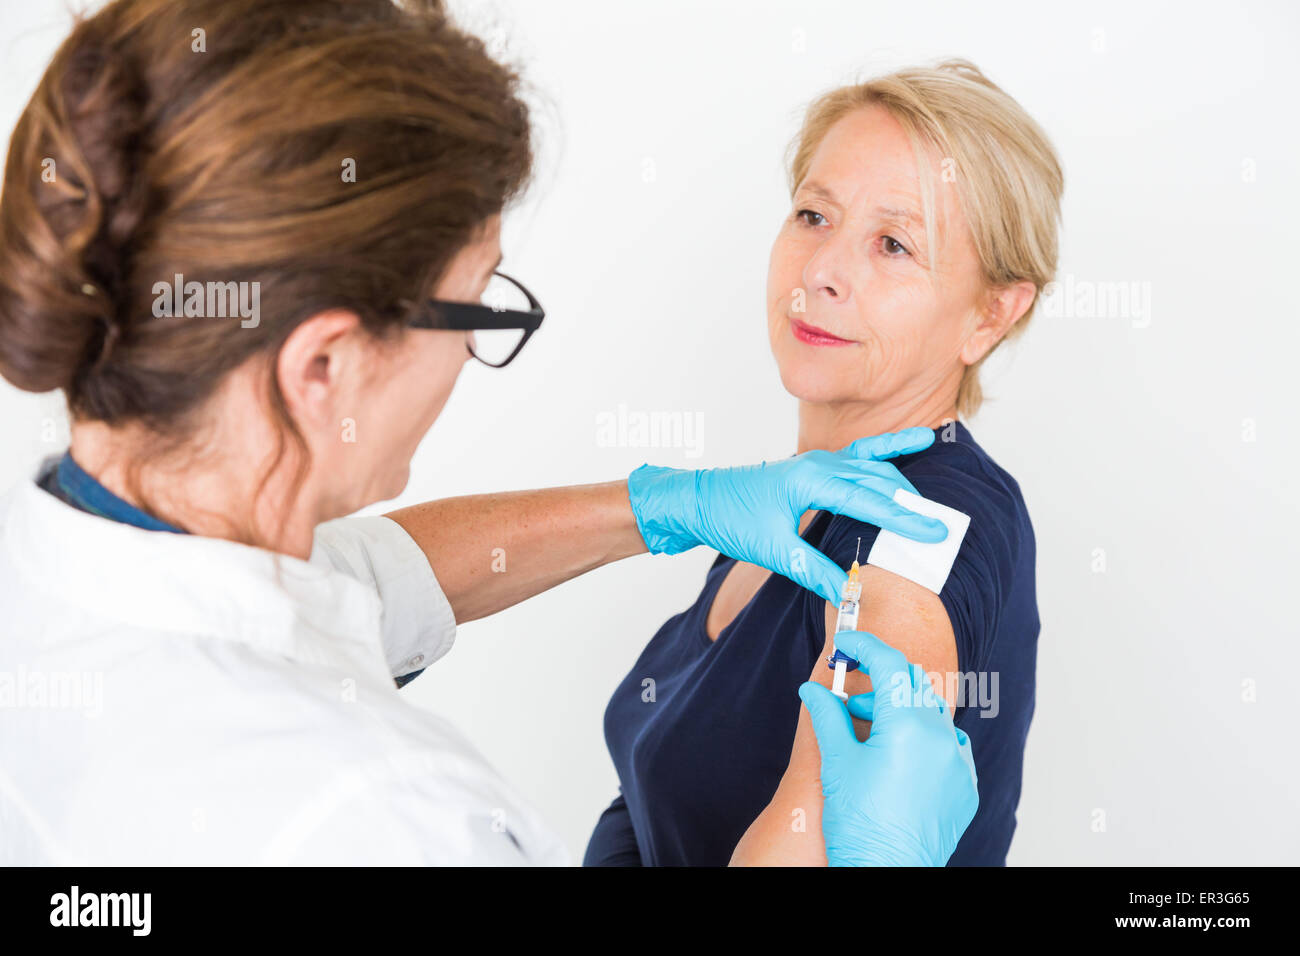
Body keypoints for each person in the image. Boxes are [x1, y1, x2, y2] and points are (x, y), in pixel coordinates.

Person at [0, 0, 973, 865]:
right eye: (473, 309)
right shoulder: (388, 817)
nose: (472, 355)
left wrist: (666, 506)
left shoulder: (70, 563)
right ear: (323, 367)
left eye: (894, 242)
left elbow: (366, 580)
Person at [586, 61, 1062, 867]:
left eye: (893, 244)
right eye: (813, 214)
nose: (820, 274)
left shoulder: (922, 523)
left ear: (991, 313)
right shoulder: (783, 504)